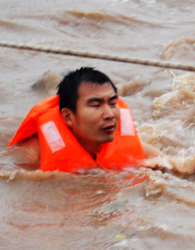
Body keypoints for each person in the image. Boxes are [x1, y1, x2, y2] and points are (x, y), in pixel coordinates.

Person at [9, 67, 163, 172]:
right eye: (96, 105)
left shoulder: (137, 149)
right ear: (68, 117)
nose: (109, 114)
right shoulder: (33, 154)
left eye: (112, 103)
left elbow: (175, 166)